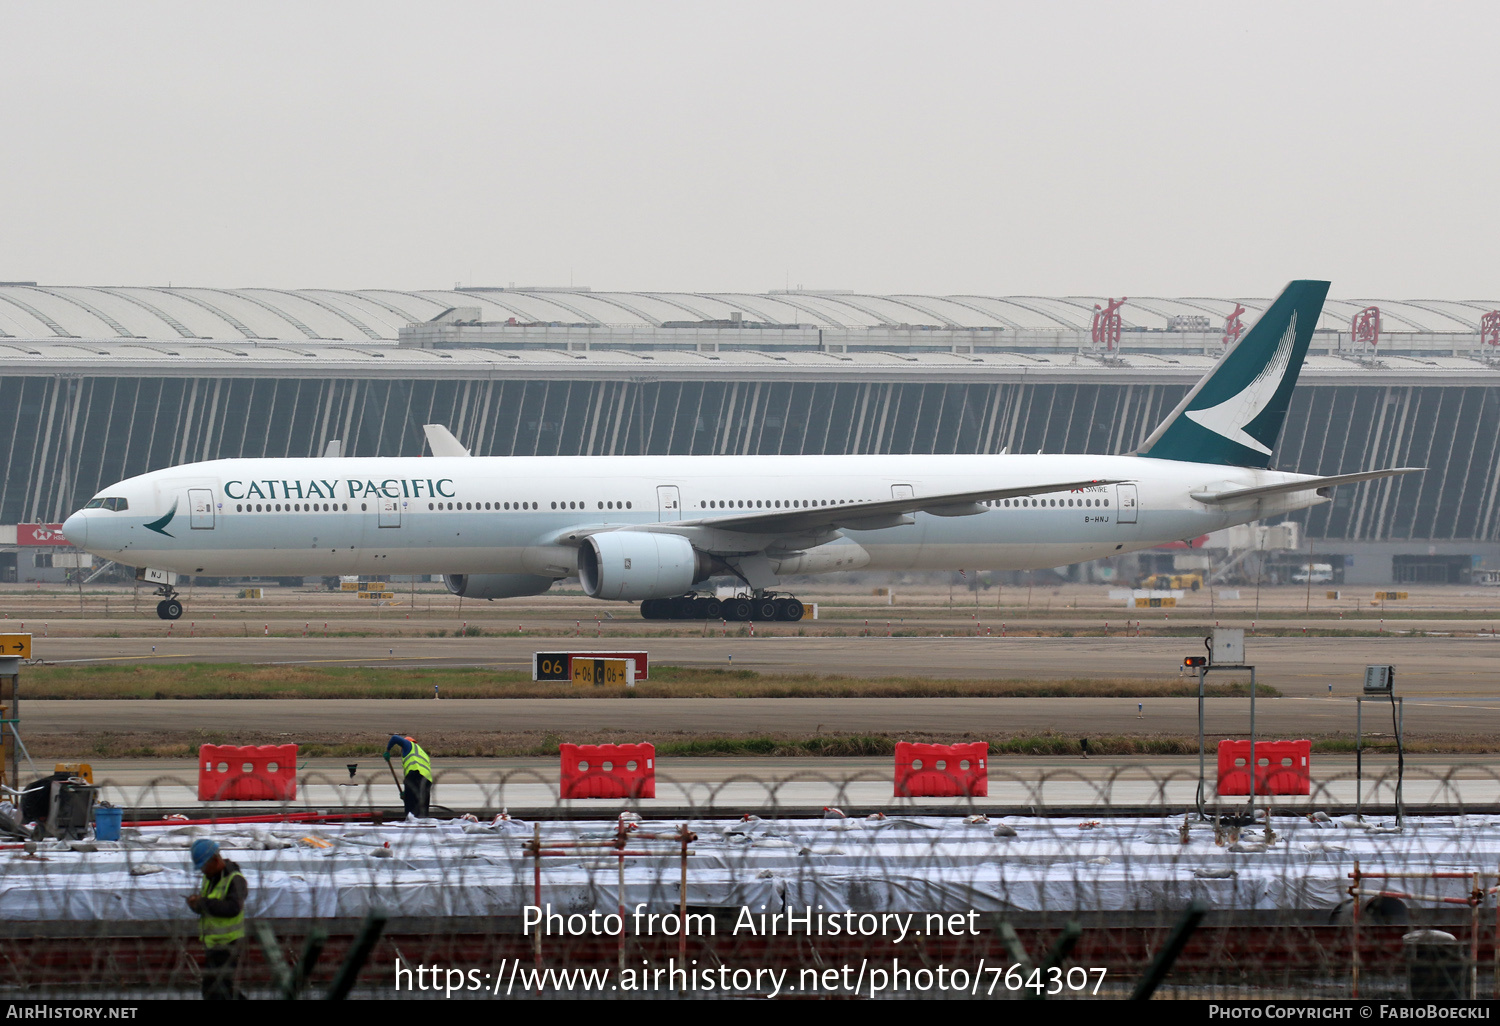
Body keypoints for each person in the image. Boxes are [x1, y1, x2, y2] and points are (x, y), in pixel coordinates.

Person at [186, 838, 246, 1000]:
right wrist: (196, 905)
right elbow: (210, 906)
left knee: (215, 990)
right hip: (214, 944)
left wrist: (203, 903)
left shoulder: (235, 880)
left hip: (229, 944)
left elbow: (233, 908)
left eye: (204, 866)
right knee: (222, 989)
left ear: (215, 859)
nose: (203, 871)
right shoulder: (210, 878)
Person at [385, 734, 433, 818]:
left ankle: (410, 826)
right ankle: (423, 828)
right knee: (423, 810)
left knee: (410, 810)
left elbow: (394, 738)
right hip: (427, 781)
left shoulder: (409, 745)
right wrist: (406, 794)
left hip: (415, 775)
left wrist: (388, 750)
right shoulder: (423, 754)